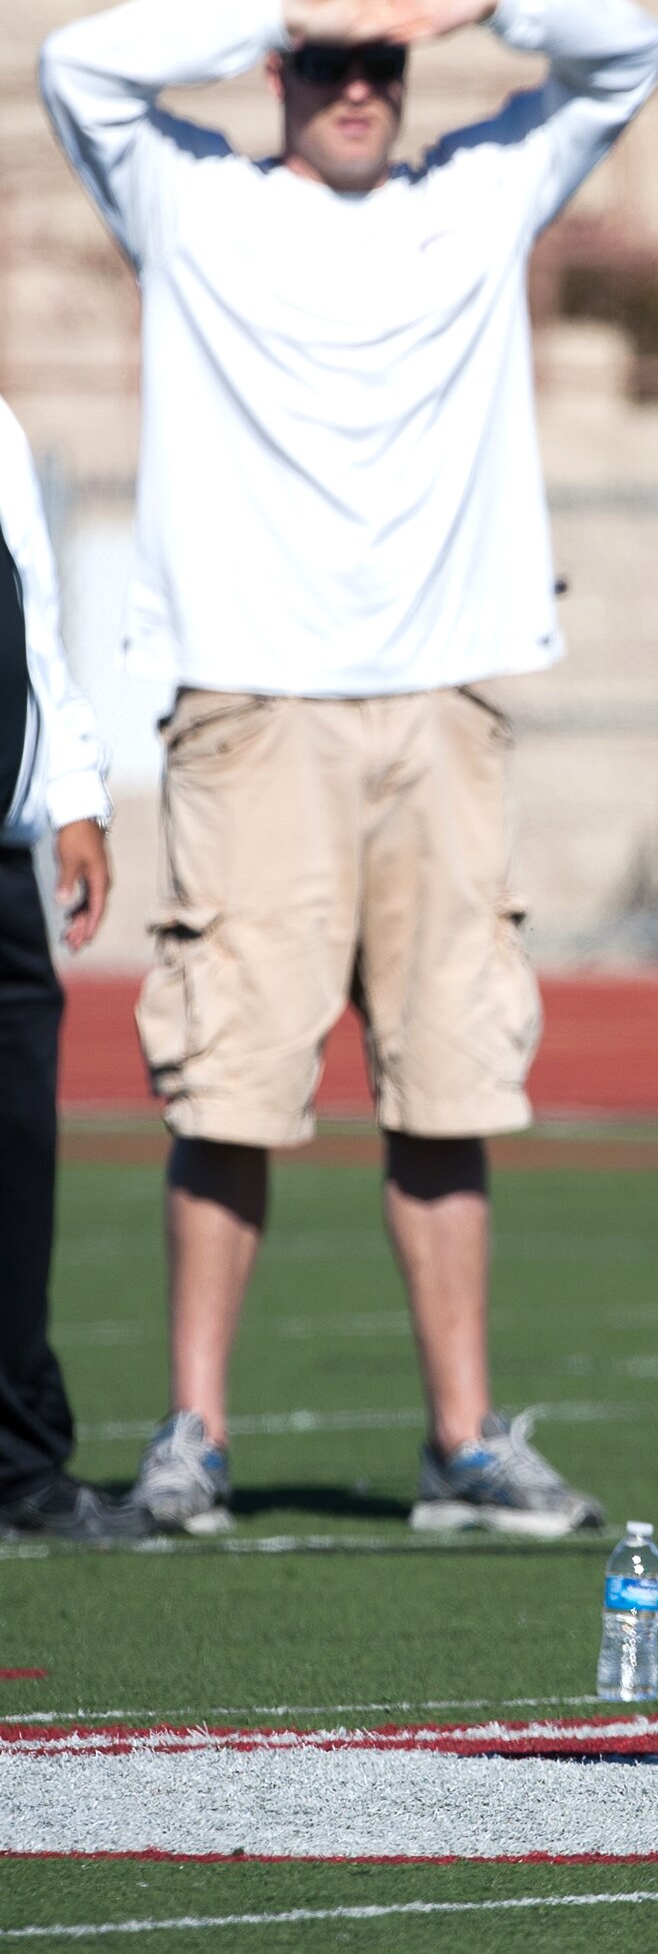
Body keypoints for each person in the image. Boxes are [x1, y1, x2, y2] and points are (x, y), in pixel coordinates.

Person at [39, 0, 658, 1537]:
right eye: (332, 64)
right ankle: (194, 1435)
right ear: (282, 77)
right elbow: (77, 65)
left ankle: (464, 1441)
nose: (362, 90)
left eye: (384, 66)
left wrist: (483, 0)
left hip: (446, 697)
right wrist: (291, 0)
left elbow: (629, 52)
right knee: (229, 1088)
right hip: (255, 704)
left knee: (450, 1081)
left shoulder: (477, 189)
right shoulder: (196, 198)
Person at [0, 397, 146, 1543]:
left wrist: (74, 797)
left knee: (18, 1157)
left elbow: (34, 628)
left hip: (7, 855)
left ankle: (21, 1459)